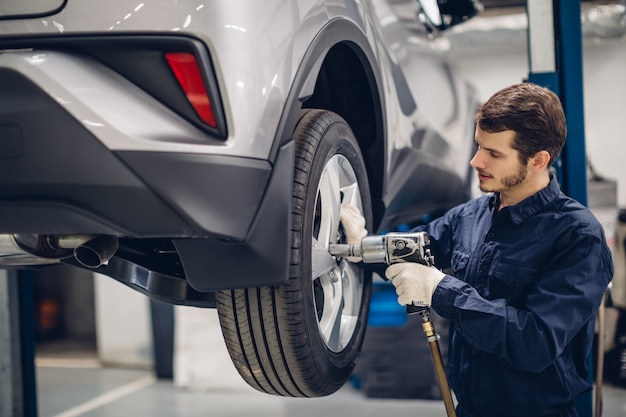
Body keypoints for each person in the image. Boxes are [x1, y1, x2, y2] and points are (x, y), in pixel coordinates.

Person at [340, 82, 613, 417]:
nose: (474, 161)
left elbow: (535, 342)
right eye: (479, 146)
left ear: (538, 160)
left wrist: (442, 290)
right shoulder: (469, 216)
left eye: (494, 154)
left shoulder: (578, 236)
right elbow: (410, 252)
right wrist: (363, 244)